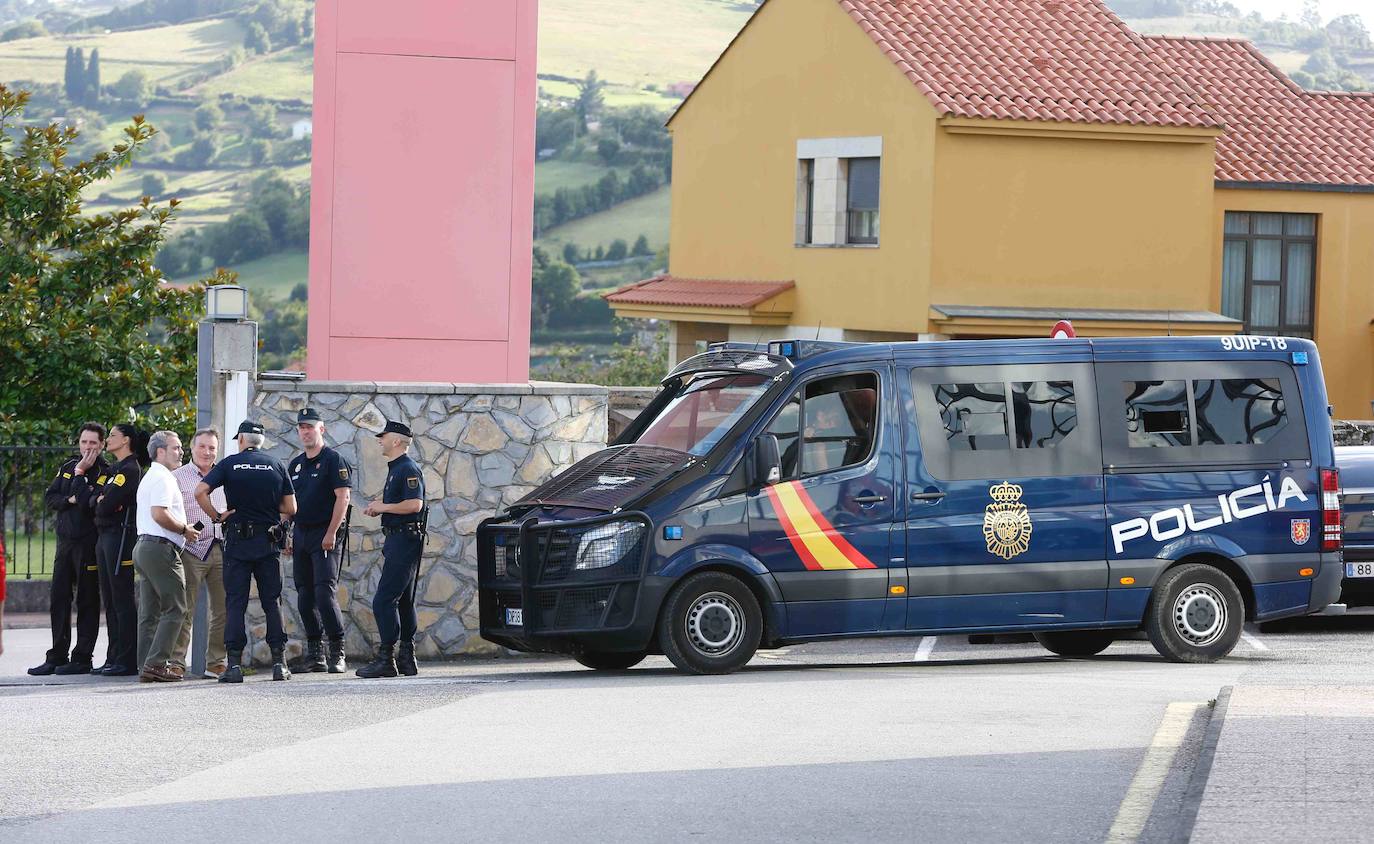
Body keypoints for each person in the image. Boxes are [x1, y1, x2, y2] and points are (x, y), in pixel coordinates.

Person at [195, 420, 297, 684]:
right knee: (272, 602)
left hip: (238, 542)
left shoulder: (229, 464)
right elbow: (291, 507)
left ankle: (234, 667)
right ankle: (279, 664)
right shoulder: (276, 465)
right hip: (267, 542)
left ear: (241, 439)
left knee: (235, 603)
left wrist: (217, 516)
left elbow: (200, 491)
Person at [28, 423, 107, 676]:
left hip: (88, 544)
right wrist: (69, 500)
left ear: (102, 445)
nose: (88, 447)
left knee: (87, 600)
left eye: (93, 443)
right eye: (84, 442)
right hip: (65, 543)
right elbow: (52, 498)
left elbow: (89, 504)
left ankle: (82, 657)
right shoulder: (67, 467)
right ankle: (57, 656)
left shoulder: (106, 471)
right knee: (59, 599)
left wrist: (78, 488)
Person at [357, 420, 425, 679]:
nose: (380, 440)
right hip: (399, 539)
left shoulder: (407, 468)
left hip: (404, 541)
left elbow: (414, 504)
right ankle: (407, 659)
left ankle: (387, 659)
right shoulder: (397, 468)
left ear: (396, 441)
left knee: (383, 600)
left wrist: (383, 507)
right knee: (404, 601)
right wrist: (381, 506)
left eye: (383, 437)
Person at [286, 408, 351, 674]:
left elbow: (343, 498)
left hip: (325, 533)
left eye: (310, 427)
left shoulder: (334, 460)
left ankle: (337, 651)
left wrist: (331, 532)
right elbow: (289, 504)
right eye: (301, 427)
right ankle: (316, 655)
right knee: (304, 596)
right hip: (302, 533)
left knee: (324, 594)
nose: (305, 431)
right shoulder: (296, 464)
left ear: (321, 429)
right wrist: (288, 533)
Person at [132, 431, 198, 683]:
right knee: (176, 607)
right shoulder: (163, 478)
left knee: (150, 613)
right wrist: (184, 529)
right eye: (176, 448)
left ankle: (147, 665)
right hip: (160, 549)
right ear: (160, 451)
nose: (181, 452)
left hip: (145, 547)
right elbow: (159, 514)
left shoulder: (151, 476)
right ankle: (157, 664)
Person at [171, 428, 229, 679]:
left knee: (224, 609)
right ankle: (175, 663)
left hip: (221, 547)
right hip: (191, 550)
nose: (207, 452)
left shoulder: (226, 474)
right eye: (202, 447)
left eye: (212, 448)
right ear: (192, 448)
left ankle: (216, 662)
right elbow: (170, 512)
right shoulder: (177, 477)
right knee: (184, 609)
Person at [91, 423, 147, 677]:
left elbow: (105, 504)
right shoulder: (113, 469)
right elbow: (93, 500)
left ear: (126, 441)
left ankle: (126, 659)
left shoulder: (129, 469)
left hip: (120, 537)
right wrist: (100, 500)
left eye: (112, 436)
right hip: (105, 536)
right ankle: (113, 656)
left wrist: (102, 501)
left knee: (122, 601)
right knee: (111, 601)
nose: (108, 440)